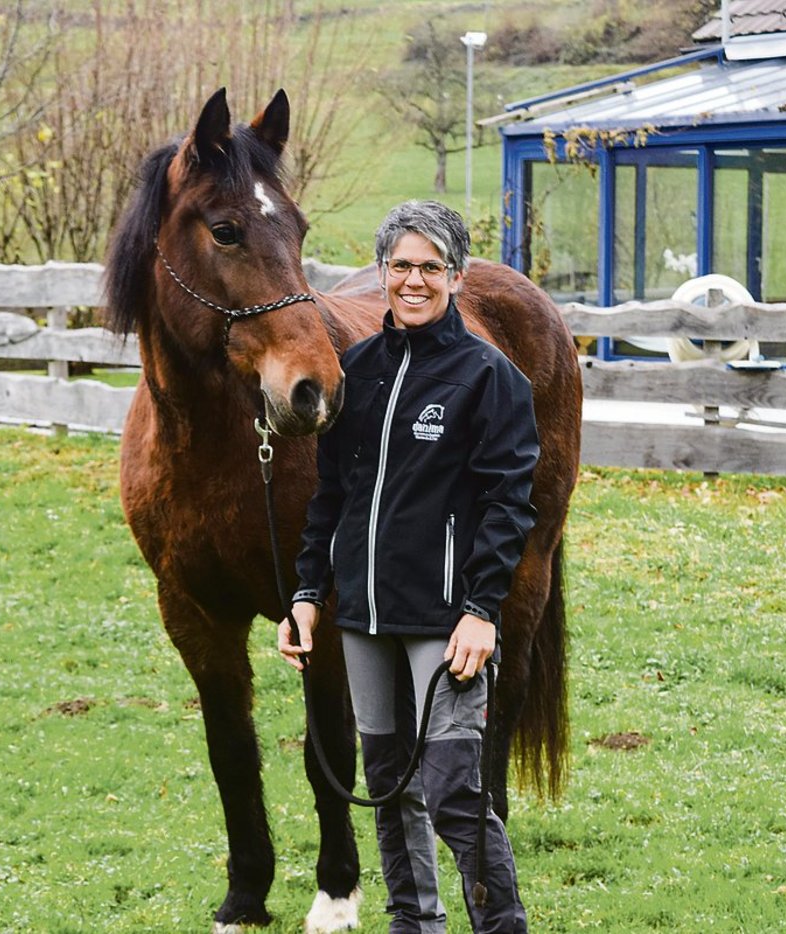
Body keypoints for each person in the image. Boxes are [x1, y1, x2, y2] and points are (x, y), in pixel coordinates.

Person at [279, 200, 537, 933]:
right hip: (361, 615)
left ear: (455, 277)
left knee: (455, 790)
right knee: (388, 784)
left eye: (430, 267)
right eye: (400, 266)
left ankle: (501, 926)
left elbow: (510, 507)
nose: (413, 281)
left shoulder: (490, 378)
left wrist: (483, 610)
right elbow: (330, 496)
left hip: (445, 621)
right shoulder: (354, 371)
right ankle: (412, 923)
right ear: (382, 272)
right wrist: (306, 592)